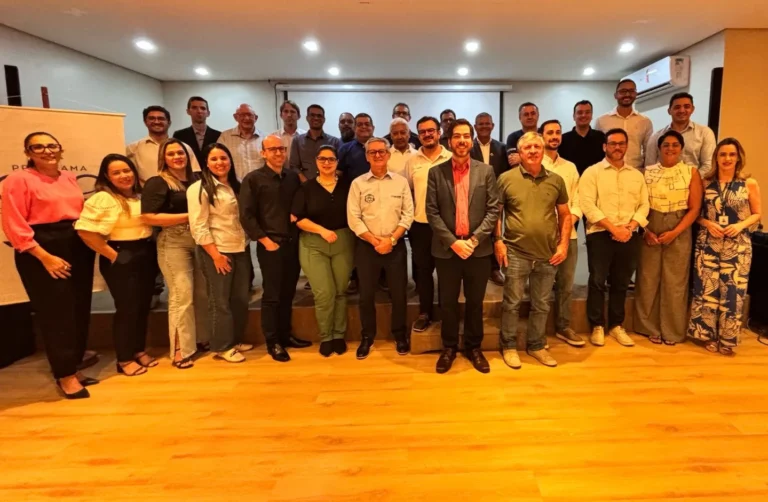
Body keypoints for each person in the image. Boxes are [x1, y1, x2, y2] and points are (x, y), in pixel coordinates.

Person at [2, 132, 97, 399]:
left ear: (60, 149)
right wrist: (44, 257)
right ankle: (65, 375)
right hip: (42, 248)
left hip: (75, 244)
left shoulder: (68, 177)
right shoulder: (18, 179)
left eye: (52, 145)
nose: (47, 151)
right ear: (28, 153)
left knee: (78, 309)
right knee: (57, 314)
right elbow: (13, 223)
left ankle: (74, 366)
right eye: (38, 147)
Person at [426, 119, 499, 374]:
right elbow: (432, 212)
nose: (462, 141)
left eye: (466, 136)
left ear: (472, 140)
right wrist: (454, 242)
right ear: (449, 141)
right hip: (447, 250)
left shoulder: (486, 171)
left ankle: (473, 347)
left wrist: (474, 240)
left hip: (478, 250)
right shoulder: (436, 172)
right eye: (457, 136)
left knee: (475, 302)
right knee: (447, 302)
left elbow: (493, 210)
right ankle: (448, 348)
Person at [75, 154, 157, 377]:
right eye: (117, 172)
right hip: (121, 254)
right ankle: (124, 359)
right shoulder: (103, 198)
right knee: (127, 308)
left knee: (142, 306)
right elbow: (84, 231)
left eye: (127, 170)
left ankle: (138, 350)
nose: (124, 176)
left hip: (145, 253)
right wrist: (113, 256)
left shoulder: (139, 195)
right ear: (107, 176)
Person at [495, 132, 571, 369]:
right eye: (527, 147)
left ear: (543, 149)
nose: (532, 151)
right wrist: (498, 241)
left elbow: (565, 214)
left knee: (542, 304)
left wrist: (564, 245)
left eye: (536, 147)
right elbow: (497, 213)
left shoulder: (556, 180)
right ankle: (508, 346)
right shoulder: (506, 179)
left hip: (548, 254)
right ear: (519, 152)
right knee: (512, 303)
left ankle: (536, 345)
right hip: (516, 252)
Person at [239, 135, 312, 362]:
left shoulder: (292, 177)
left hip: (292, 243)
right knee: (272, 295)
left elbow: (301, 203)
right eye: (273, 149)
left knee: (288, 293)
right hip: (270, 245)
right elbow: (246, 215)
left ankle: (285, 335)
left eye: (281, 148)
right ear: (263, 153)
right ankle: (273, 342)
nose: (279, 153)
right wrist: (264, 240)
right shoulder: (253, 179)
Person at [688, 138, 762, 356]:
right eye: (723, 154)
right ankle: (707, 335)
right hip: (708, 243)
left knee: (732, 292)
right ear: (716, 158)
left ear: (738, 157)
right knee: (706, 290)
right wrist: (707, 223)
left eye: (731, 154)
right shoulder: (705, 183)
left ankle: (727, 338)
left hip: (737, 245)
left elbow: (757, 213)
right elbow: (695, 214)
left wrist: (739, 225)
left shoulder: (749, 183)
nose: (727, 158)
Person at [141, 139, 208, 369]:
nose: (177, 157)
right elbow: (149, 217)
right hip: (174, 242)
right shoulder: (158, 182)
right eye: (171, 154)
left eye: (180, 152)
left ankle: (199, 339)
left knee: (202, 294)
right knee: (182, 295)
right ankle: (180, 349)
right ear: (163, 158)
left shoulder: (198, 179)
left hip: (200, 240)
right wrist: (190, 216)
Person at [580, 128, 650, 347]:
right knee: (598, 281)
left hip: (629, 234)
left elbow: (644, 204)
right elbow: (587, 205)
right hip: (600, 233)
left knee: (621, 282)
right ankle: (597, 325)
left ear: (626, 146)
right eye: (612, 143)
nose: (617, 147)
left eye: (621, 143)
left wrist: (631, 226)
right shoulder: (592, 172)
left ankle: (616, 325)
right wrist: (613, 228)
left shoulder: (636, 175)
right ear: (605, 146)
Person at [347, 137, 414, 359]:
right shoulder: (358, 184)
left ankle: (400, 335)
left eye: (381, 151)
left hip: (395, 247)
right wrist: (375, 241)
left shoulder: (400, 182)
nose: (377, 155)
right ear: (366, 156)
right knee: (366, 295)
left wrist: (391, 240)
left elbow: (408, 214)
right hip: (367, 247)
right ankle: (367, 336)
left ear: (388, 154)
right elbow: (353, 218)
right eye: (372, 152)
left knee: (399, 294)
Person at [634, 130, 702, 345]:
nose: (670, 148)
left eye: (675, 145)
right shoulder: (646, 172)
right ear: (659, 148)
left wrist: (675, 232)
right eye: (666, 145)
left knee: (675, 281)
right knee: (648, 278)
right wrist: (646, 231)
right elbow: (638, 205)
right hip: (650, 225)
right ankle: (648, 327)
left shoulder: (691, 172)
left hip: (679, 227)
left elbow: (695, 208)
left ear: (681, 148)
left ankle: (672, 330)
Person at [188, 143, 254, 363]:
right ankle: (221, 346)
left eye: (223, 158)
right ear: (206, 163)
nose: (220, 162)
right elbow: (198, 225)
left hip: (240, 247)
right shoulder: (199, 188)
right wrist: (215, 255)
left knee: (240, 298)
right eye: (214, 159)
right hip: (217, 250)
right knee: (220, 301)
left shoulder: (237, 184)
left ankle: (235, 340)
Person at [293, 145, 355, 357]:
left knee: (340, 291)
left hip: (343, 242)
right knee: (324, 293)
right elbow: (298, 219)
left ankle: (339, 335)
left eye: (331, 159)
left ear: (337, 162)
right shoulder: (306, 188)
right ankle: (326, 336)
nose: (327, 163)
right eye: (322, 159)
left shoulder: (348, 186)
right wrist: (322, 231)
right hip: (314, 244)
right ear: (316, 162)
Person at [405, 116, 453, 332]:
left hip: (447, 226)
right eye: (422, 131)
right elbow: (408, 190)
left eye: (431, 130)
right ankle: (425, 312)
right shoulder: (412, 160)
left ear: (439, 132)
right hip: (421, 225)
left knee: (446, 272)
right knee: (423, 272)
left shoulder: (451, 157)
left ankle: (446, 313)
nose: (427, 134)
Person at [539, 120, 584, 347]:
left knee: (566, 285)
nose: (554, 136)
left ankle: (563, 326)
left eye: (557, 132)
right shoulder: (534, 165)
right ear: (541, 136)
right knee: (541, 286)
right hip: (542, 237)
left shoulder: (570, 167)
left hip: (568, 236)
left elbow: (577, 201)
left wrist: (566, 224)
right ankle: (538, 333)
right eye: (550, 133)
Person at [471, 111, 508, 286]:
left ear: (493, 126)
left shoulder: (502, 148)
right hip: (474, 196)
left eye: (487, 123)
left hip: (496, 197)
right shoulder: (469, 147)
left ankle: (494, 269)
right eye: (481, 124)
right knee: (476, 230)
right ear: (475, 127)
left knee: (495, 231)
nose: (484, 126)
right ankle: (475, 267)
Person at [645, 92, 717, 177]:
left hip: (694, 182)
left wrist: (691, 181)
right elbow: (650, 167)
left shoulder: (705, 133)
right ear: (669, 111)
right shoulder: (656, 137)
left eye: (686, 106)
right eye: (677, 107)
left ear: (692, 109)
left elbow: (708, 165)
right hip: (662, 182)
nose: (682, 110)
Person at [126, 105, 200, 184]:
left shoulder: (184, 147)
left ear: (169, 122)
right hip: (146, 190)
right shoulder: (133, 148)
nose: (156, 122)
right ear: (145, 122)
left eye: (161, 118)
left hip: (180, 190)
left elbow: (195, 174)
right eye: (152, 118)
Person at [596, 79, 654, 171]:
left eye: (631, 91)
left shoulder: (645, 121)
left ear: (636, 94)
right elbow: (598, 150)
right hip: (608, 171)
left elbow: (649, 151)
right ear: (615, 95)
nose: (627, 94)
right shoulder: (602, 121)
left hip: (636, 171)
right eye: (623, 91)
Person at [289, 104, 341, 182]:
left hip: (328, 185)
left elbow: (339, 167)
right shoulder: (297, 140)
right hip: (305, 185)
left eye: (319, 116)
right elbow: (294, 166)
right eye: (312, 115)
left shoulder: (335, 141)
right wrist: (307, 184)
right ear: (307, 118)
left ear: (324, 119)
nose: (316, 118)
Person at [217, 103, 265, 181]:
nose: (246, 118)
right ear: (235, 117)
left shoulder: (265, 138)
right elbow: (219, 161)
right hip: (234, 185)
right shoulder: (225, 137)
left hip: (260, 184)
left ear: (256, 118)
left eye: (250, 115)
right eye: (242, 115)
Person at [560, 100, 606, 176]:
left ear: (591, 115)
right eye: (580, 112)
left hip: (597, 180)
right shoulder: (563, 139)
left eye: (587, 112)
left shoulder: (601, 137)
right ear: (574, 116)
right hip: (571, 181)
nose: (584, 115)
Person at [172, 96, 221, 168]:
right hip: (188, 173)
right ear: (188, 111)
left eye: (203, 108)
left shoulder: (219, 135)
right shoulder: (179, 135)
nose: (199, 111)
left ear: (208, 113)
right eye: (194, 108)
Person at [338, 113, 375, 180]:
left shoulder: (382, 147)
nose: (363, 127)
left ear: (373, 128)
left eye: (367, 124)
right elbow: (338, 173)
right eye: (359, 124)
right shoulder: (345, 149)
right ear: (354, 128)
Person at [273, 100, 306, 168]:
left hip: (301, 173)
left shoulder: (306, 136)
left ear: (299, 116)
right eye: (286, 111)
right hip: (280, 173)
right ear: (281, 115)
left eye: (292, 112)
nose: (289, 115)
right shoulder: (273, 137)